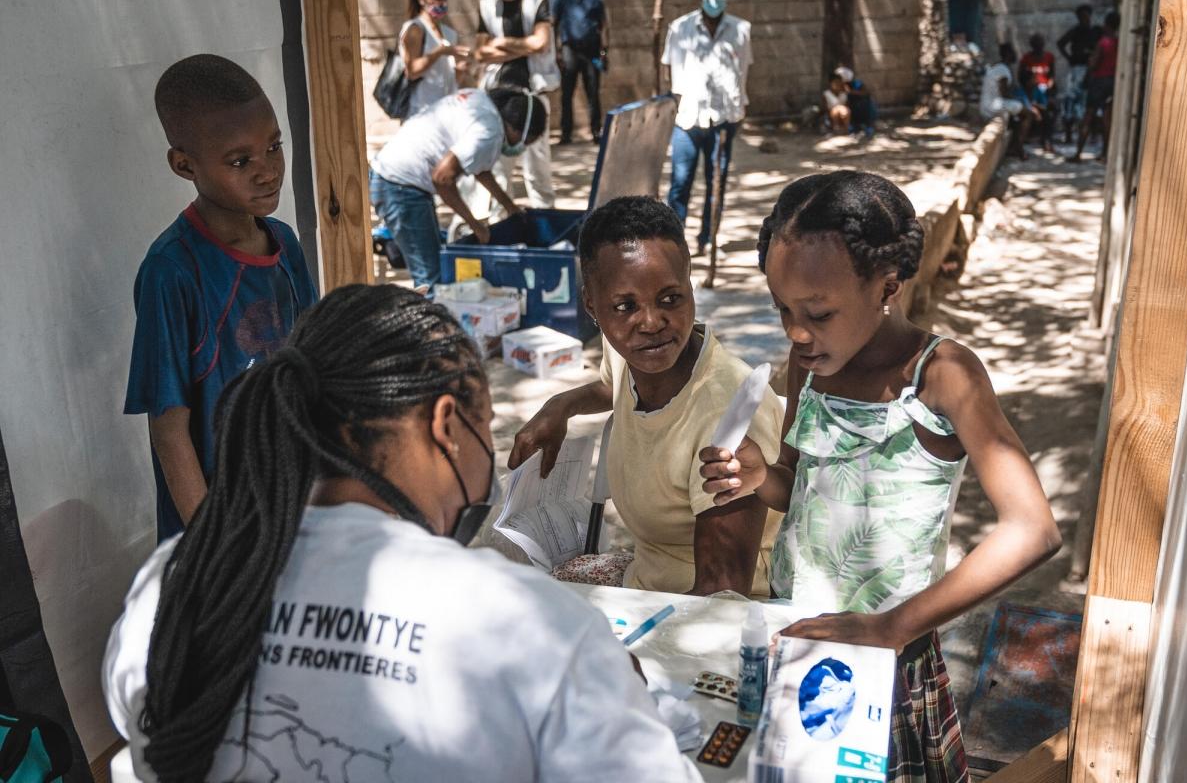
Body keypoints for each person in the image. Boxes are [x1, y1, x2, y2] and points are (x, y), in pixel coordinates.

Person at [104, 284, 704, 783]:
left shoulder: (171, 581)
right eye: (485, 425)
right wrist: (618, 694)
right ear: (446, 425)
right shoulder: (530, 627)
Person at [699, 171, 1061, 781]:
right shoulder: (808, 363)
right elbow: (802, 485)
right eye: (781, 308)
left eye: (817, 312)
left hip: (888, 664)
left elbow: (1032, 530)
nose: (795, 331)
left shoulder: (942, 375)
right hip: (800, 641)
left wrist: (891, 628)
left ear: (887, 286)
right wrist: (761, 477)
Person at [509, 196, 783, 597]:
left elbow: (721, 598)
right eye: (625, 306)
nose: (651, 323)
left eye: (670, 298)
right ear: (592, 305)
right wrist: (561, 406)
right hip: (646, 573)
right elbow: (612, 385)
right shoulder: (627, 351)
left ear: (689, 283)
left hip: (701, 609)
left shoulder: (727, 416)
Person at [124, 54, 318, 543]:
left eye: (274, 146)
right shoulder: (171, 272)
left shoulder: (285, 243)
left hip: (293, 503)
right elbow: (169, 432)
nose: (268, 170)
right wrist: (218, 554)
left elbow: (311, 368)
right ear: (184, 165)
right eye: (240, 161)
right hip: (221, 527)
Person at [369, 88, 546, 291]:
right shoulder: (489, 132)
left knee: (433, 269)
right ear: (519, 131)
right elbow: (442, 177)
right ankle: (426, 321)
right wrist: (475, 225)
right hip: (400, 187)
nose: (522, 148)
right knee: (431, 278)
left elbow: (480, 169)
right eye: (527, 142)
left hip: (393, 177)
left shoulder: (482, 102)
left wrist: (509, 206)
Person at [662, 0, 752, 257]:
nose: (715, 0)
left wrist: (737, 110)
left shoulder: (741, 29)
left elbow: (743, 70)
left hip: (723, 120)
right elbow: (668, 68)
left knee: (717, 182)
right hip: (688, 118)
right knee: (680, 182)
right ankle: (673, 242)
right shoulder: (680, 29)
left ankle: (708, 238)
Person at [474, 0, 558, 209]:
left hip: (533, 93)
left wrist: (501, 43)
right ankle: (501, 220)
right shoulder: (487, 4)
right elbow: (481, 52)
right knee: (500, 168)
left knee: (537, 166)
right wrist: (525, 46)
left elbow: (541, 42)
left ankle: (545, 215)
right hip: (501, 98)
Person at [398, 0, 471, 116]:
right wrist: (439, 52)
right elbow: (412, 71)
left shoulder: (450, 34)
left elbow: (450, 80)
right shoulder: (414, 29)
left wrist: (461, 70)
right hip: (422, 112)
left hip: (448, 111)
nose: (442, 3)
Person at [550, 0, 608, 145]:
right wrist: (556, 52)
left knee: (593, 92)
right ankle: (566, 133)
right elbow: (553, 24)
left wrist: (604, 52)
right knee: (567, 94)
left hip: (592, 51)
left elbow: (603, 26)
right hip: (570, 50)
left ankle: (596, 131)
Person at [1072, 11, 1120, 163]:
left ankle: (1078, 153)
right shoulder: (1119, 42)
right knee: (1107, 120)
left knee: (1088, 117)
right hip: (1112, 82)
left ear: (1106, 25)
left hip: (1098, 82)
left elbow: (1093, 64)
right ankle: (1104, 154)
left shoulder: (1103, 42)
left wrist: (1088, 68)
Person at [1057, 4, 1102, 144]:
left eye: (1086, 15)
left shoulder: (1095, 32)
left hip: (1091, 70)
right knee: (1070, 102)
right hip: (1076, 70)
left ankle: (1092, 134)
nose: (1084, 18)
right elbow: (1060, 43)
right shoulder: (1075, 31)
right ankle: (1069, 135)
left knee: (1091, 103)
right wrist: (1070, 57)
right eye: (1081, 16)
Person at [980, 43, 1033, 160]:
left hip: (990, 103)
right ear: (1008, 54)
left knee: (1017, 116)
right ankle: (1018, 148)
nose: (1015, 55)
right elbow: (1004, 93)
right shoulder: (1003, 69)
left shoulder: (998, 67)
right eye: (1013, 52)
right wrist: (1018, 100)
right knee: (1028, 114)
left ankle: (1016, 147)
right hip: (993, 105)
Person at [1019, 33, 1056, 152]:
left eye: (1040, 43)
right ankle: (1042, 140)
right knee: (1043, 112)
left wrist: (1050, 85)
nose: (1038, 46)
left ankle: (1046, 139)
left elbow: (1052, 75)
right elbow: (1021, 76)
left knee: (1051, 111)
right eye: (1036, 44)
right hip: (1031, 93)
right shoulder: (1026, 58)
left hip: (1044, 91)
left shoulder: (1049, 57)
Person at [834, 66, 877, 138]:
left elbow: (865, 93)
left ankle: (868, 127)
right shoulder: (842, 86)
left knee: (865, 111)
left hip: (864, 106)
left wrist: (851, 92)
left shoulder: (857, 83)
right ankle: (854, 128)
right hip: (853, 108)